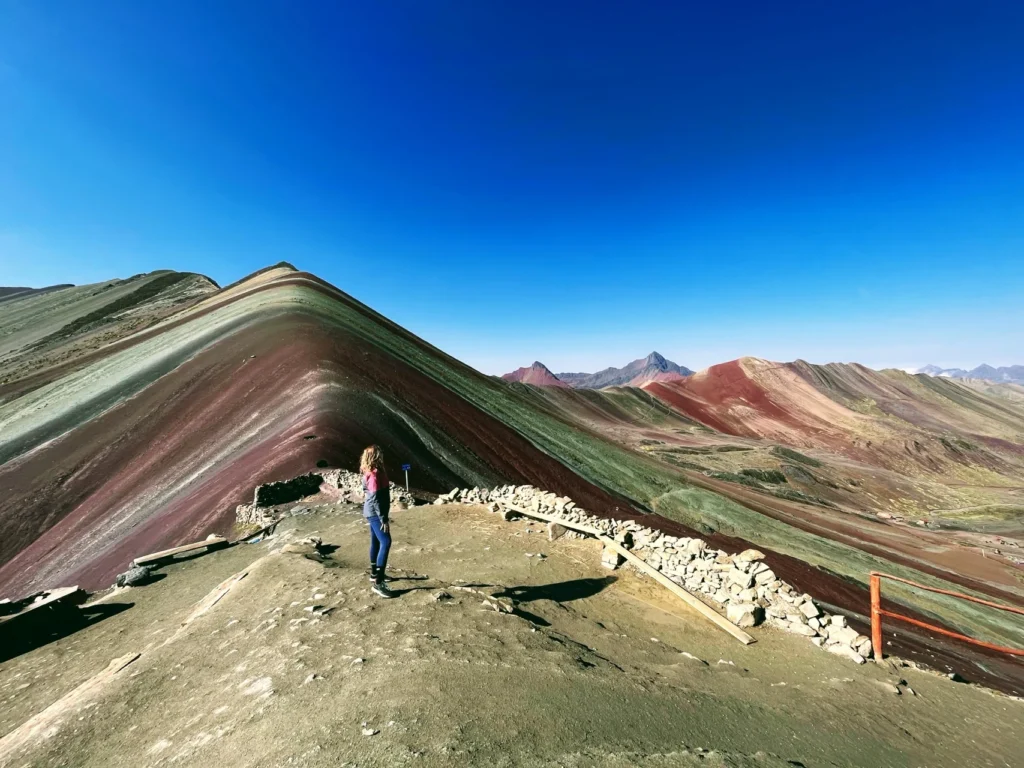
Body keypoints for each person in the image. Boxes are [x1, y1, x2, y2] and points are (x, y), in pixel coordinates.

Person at [360, 444, 395, 598]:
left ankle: (375, 573)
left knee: (375, 541)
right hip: (375, 514)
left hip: (370, 512)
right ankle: (378, 583)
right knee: (386, 542)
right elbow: (375, 499)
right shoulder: (374, 475)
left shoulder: (368, 472)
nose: (382, 456)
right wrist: (384, 519)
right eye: (379, 454)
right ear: (375, 457)